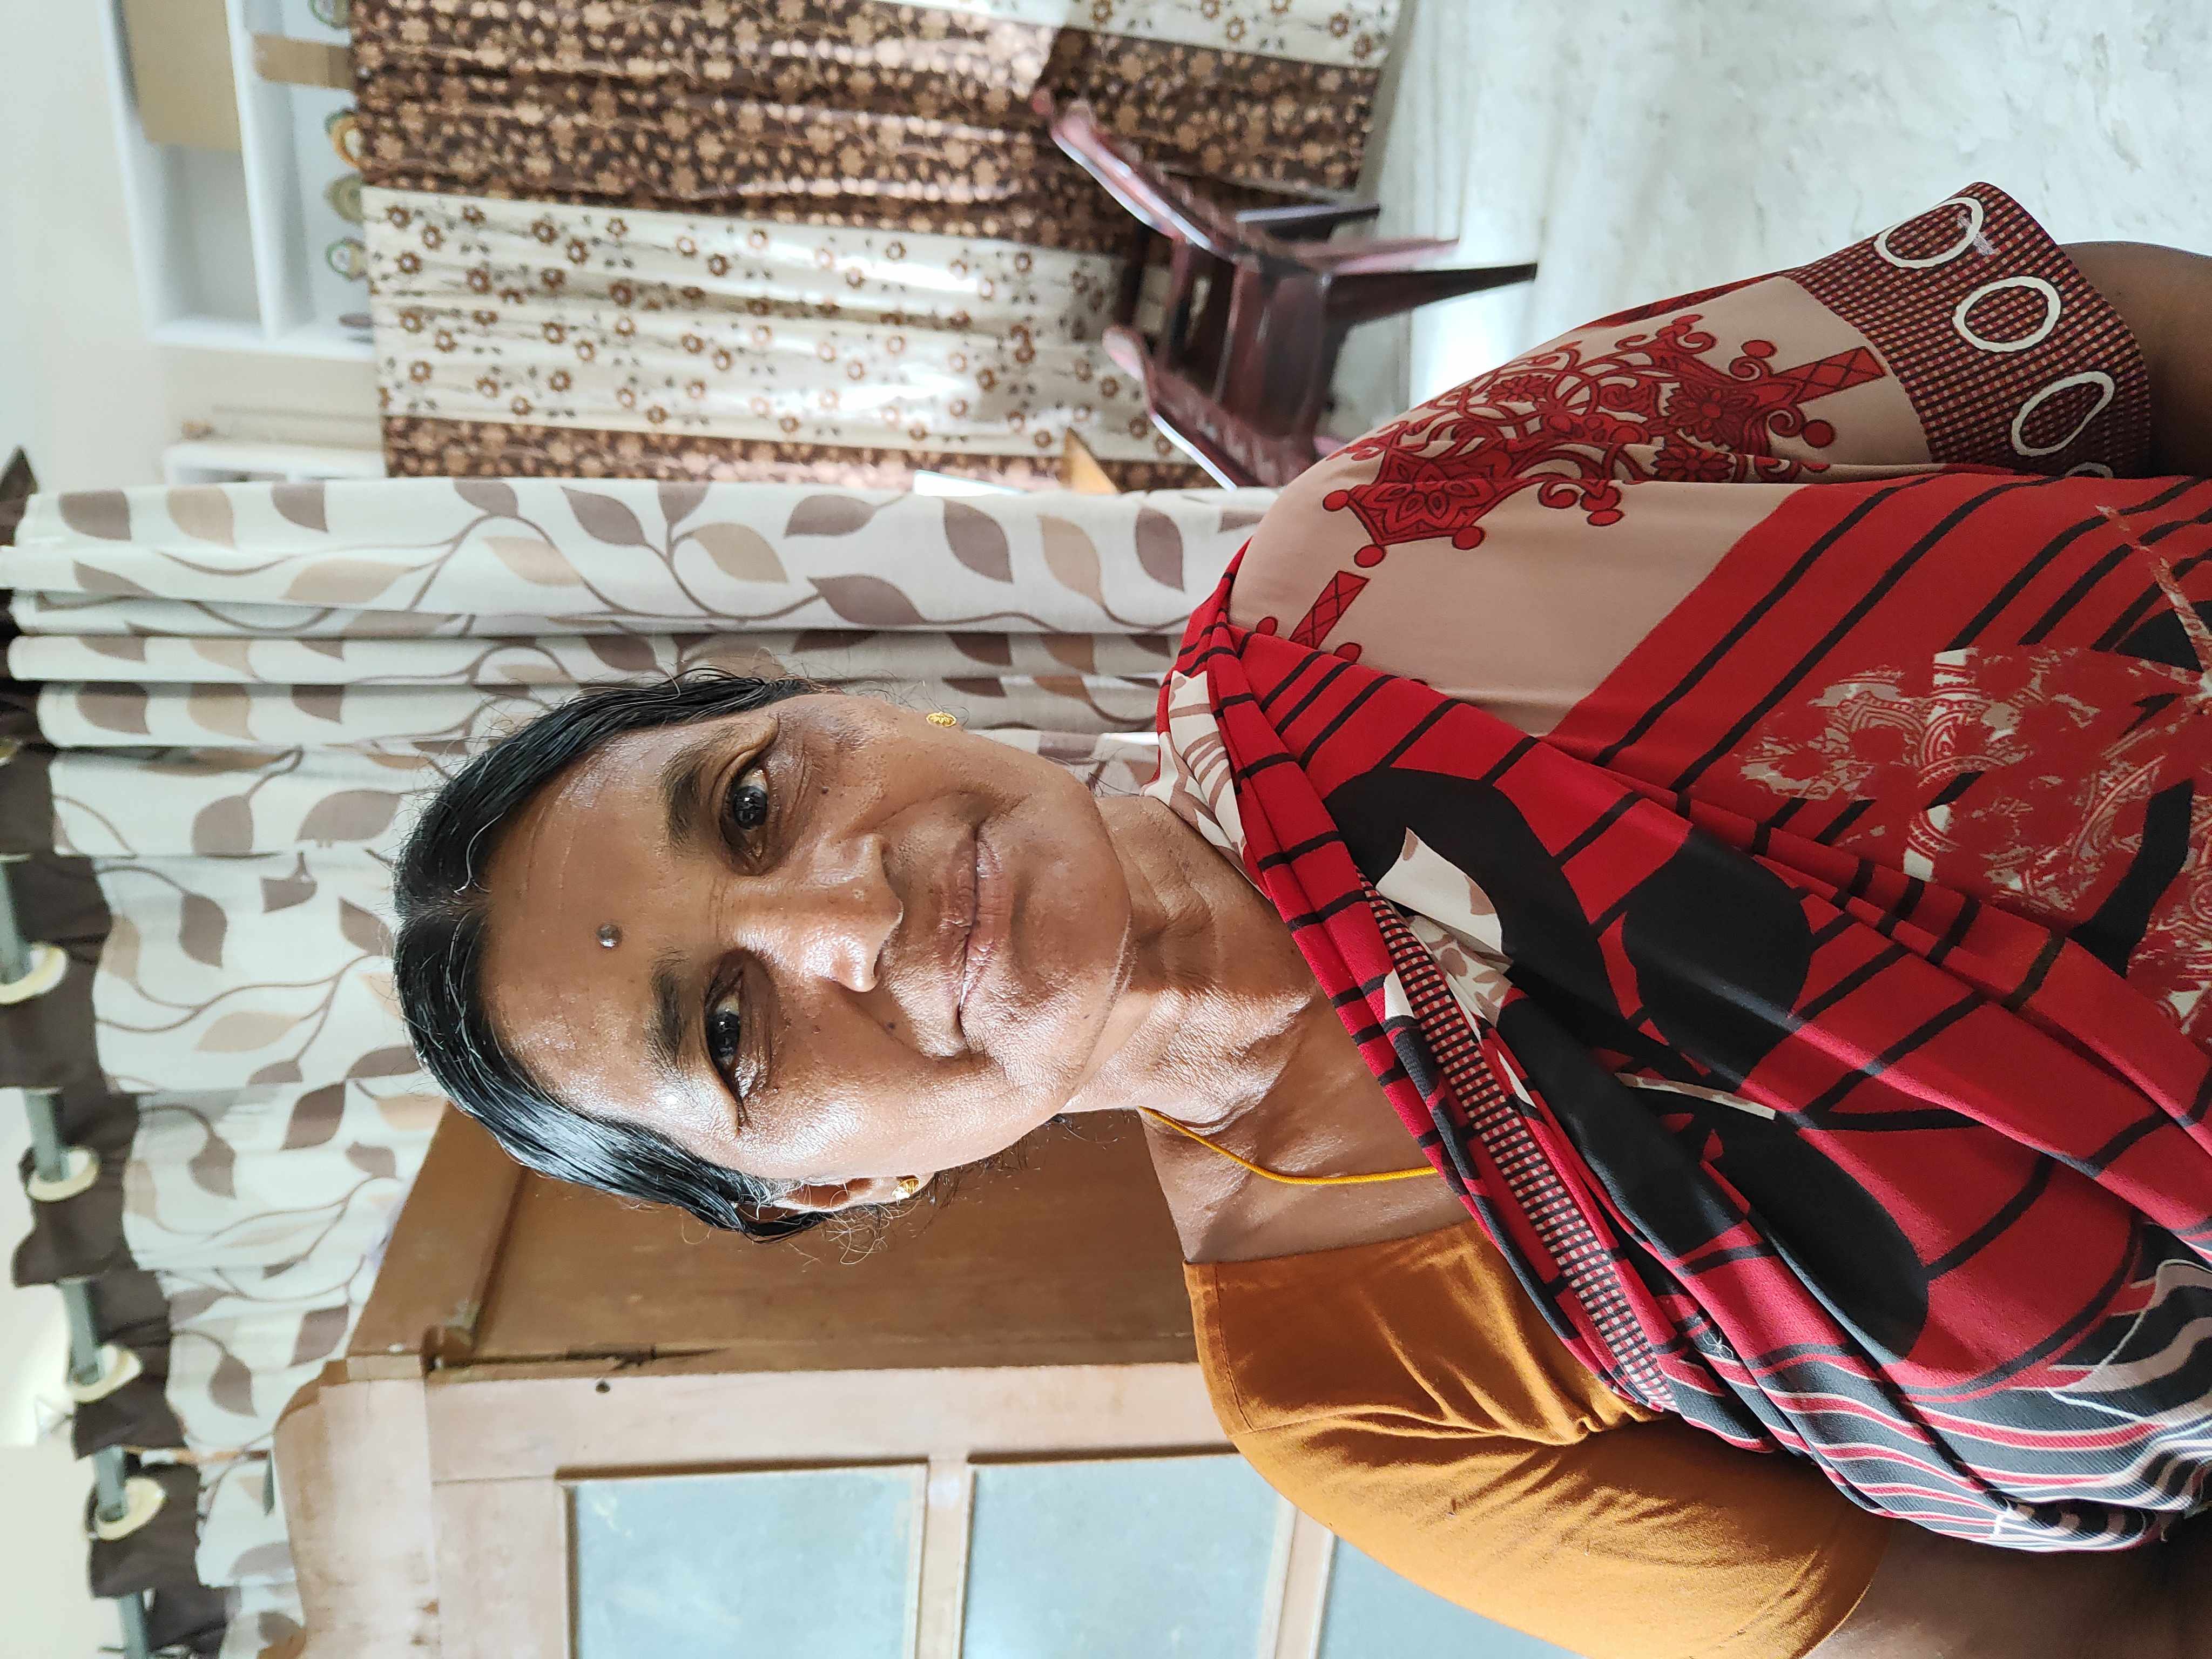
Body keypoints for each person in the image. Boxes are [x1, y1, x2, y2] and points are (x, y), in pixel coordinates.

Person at [393, 186, 2212, 1658]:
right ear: (837, 1187)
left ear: (860, 709)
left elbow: (2098, 340)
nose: (838, 909)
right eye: (729, 1028)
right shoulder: (1358, 1391)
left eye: (752, 803)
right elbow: (2065, 1637)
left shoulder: (1374, 554)